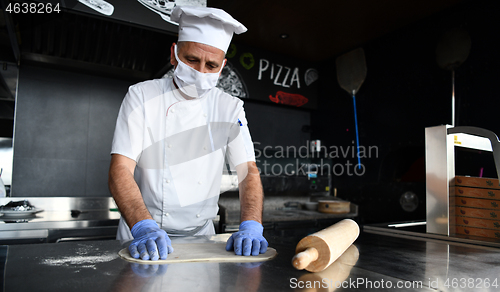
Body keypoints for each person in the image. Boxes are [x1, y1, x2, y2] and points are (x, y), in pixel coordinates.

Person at [108, 6, 267, 261]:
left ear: (222, 67)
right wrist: (143, 226)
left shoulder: (229, 108)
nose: (200, 72)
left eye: (211, 65)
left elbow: (248, 172)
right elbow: (120, 168)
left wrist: (251, 224)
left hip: (202, 239)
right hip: (142, 237)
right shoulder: (141, 96)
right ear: (174, 55)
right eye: (192, 59)